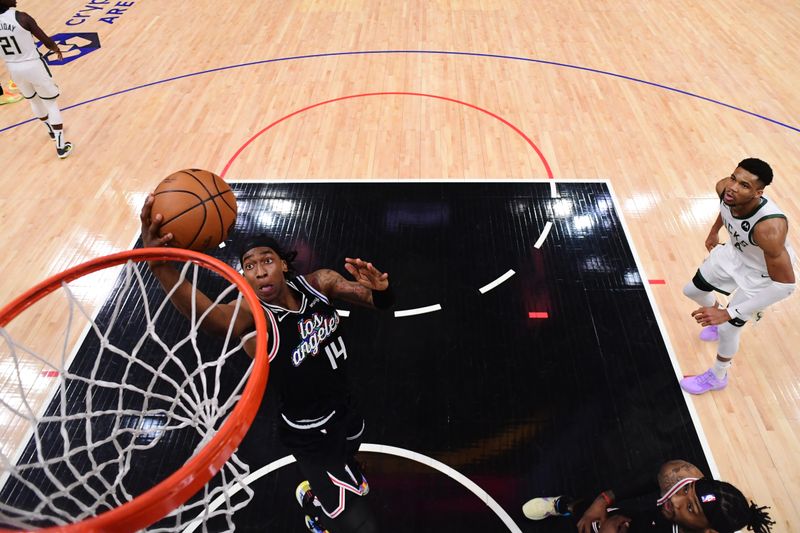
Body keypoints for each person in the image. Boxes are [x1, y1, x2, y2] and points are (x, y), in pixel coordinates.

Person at [140, 195, 388, 533]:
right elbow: (212, 318)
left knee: (351, 454)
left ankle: (315, 495)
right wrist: (160, 266)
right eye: (250, 266)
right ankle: (318, 511)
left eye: (266, 261)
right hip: (310, 434)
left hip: (345, 408)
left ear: (283, 265)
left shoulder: (320, 284)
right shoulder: (251, 315)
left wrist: (382, 291)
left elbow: (376, 300)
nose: (259, 272)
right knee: (362, 526)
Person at [679, 158, 795, 395]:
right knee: (692, 290)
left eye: (744, 185)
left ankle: (717, 376)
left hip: (764, 278)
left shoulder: (769, 228)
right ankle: (716, 317)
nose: (733, 187)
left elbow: (785, 286)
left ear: (758, 193)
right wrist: (714, 231)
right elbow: (726, 208)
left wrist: (727, 313)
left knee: (729, 329)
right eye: (734, 178)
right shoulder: (725, 189)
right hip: (737, 253)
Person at [522, 459, 775, 532]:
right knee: (589, 511)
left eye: (690, 508)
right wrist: (603, 500)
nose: (675, 499)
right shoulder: (682, 477)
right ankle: (563, 504)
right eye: (688, 491)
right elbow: (655, 477)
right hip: (636, 520)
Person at [0, 0, 72, 158]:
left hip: (13, 67)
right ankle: (61, 147)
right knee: (51, 103)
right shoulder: (22, 17)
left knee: (34, 101)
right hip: (33, 65)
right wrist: (56, 49)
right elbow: (45, 40)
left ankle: (50, 131)